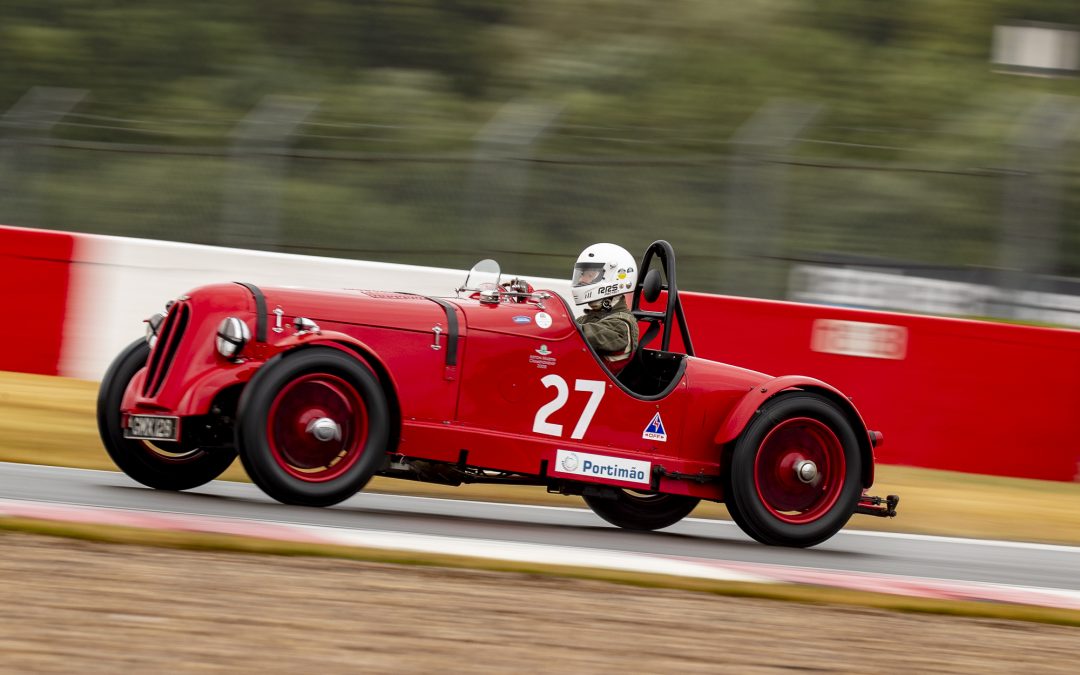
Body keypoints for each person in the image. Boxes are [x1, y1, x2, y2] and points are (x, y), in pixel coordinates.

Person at [572, 243, 639, 372]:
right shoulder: (587, 319)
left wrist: (556, 324)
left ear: (613, 278)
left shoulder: (622, 325)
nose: (581, 279)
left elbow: (579, 333)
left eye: (589, 275)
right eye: (581, 274)